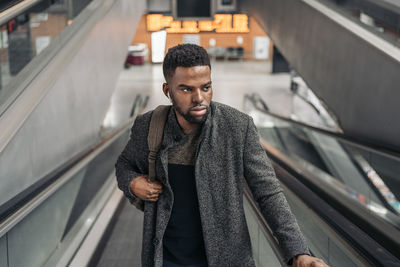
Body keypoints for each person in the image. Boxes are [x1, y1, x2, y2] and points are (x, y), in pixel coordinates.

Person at [115, 44, 328, 267]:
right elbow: (124, 164)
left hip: (227, 259)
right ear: (167, 91)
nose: (199, 98)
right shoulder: (149, 126)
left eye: (205, 87)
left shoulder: (237, 127)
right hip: (166, 260)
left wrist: (298, 252)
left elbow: (268, 192)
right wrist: (132, 183)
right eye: (186, 89)